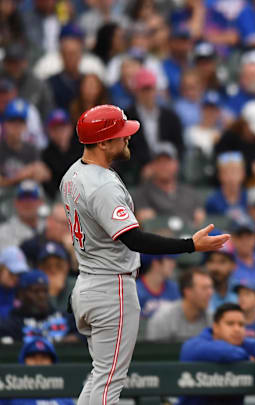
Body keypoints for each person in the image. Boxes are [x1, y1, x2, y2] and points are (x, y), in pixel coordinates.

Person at [61, 104, 229, 405]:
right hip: (111, 287)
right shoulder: (101, 186)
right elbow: (134, 239)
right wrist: (190, 244)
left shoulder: (73, 174)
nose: (127, 139)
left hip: (88, 282)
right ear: (102, 142)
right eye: (120, 134)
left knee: (100, 374)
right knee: (109, 380)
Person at [178, 303, 255, 405]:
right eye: (230, 324)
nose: (237, 329)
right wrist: (247, 356)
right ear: (216, 327)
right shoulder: (194, 345)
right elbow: (225, 353)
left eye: (241, 324)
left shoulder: (243, 343)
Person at [0, 271, 78, 344]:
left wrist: (76, 338)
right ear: (21, 294)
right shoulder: (12, 324)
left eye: (45, 291)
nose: (41, 296)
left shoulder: (66, 317)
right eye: (36, 291)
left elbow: (85, 332)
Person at [145, 268, 213, 342]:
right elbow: (154, 352)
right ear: (188, 292)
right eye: (204, 288)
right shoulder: (163, 318)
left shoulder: (211, 318)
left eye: (210, 287)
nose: (210, 293)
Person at [0, 337, 74, 405]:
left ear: (52, 361)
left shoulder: (64, 396)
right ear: (23, 360)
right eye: (32, 357)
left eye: (44, 357)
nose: (38, 362)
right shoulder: (10, 394)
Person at [135, 254, 181, 319]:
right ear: (156, 263)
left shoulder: (174, 289)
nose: (173, 265)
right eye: (170, 260)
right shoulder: (135, 290)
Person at [0, 246, 29, 317]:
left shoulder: (20, 289)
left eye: (19, 274)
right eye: (12, 273)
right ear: (1, 268)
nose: (16, 277)